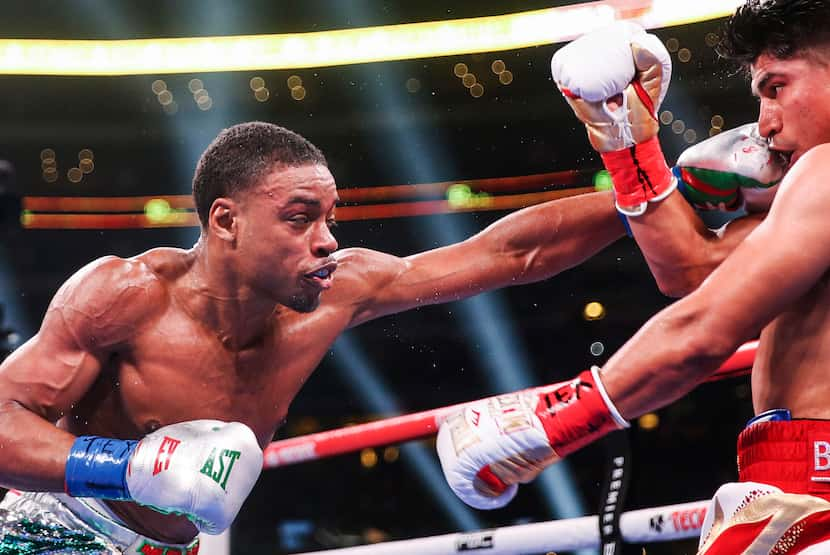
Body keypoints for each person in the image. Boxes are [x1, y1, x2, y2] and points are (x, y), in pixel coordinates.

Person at [0, 121, 628, 553]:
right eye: (300, 218)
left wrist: (649, 191)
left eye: (330, 217)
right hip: (55, 530)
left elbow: (510, 252)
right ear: (226, 221)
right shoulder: (127, 295)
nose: (326, 239)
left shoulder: (339, 290)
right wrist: (132, 468)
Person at [437, 1, 830, 551]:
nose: (764, 123)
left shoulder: (825, 171)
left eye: (775, 86)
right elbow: (693, 270)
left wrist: (548, 422)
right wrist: (627, 144)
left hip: (815, 479)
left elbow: (704, 326)